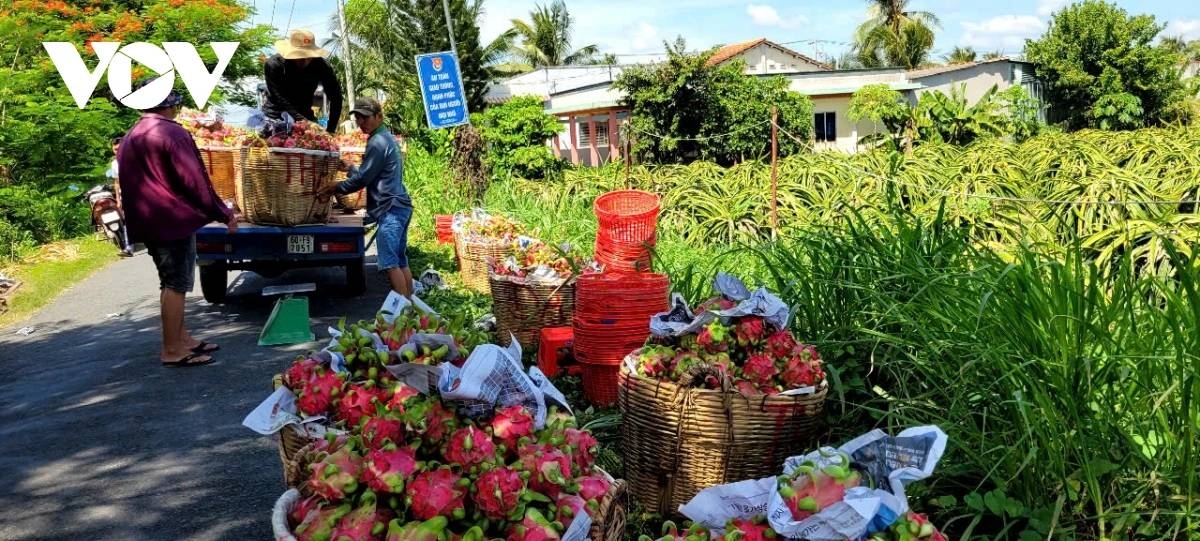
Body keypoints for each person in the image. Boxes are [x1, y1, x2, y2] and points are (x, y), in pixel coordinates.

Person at [117, 89, 238, 367]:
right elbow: (195, 182)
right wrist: (223, 212)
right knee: (176, 284)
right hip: (171, 219)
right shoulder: (171, 133)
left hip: (149, 220)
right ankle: (172, 349)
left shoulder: (132, 135)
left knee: (169, 280)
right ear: (169, 105)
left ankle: (182, 338)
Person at [318, 97, 415, 297]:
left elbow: (363, 179)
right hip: (399, 207)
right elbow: (371, 174)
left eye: (365, 117)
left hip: (391, 210)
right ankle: (411, 307)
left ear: (379, 116)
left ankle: (405, 315)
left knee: (390, 263)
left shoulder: (378, 142)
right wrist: (351, 168)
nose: (361, 122)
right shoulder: (385, 137)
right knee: (399, 260)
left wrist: (336, 187)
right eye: (358, 118)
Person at [262, 29, 343, 134]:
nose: (304, 61)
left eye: (308, 56)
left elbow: (336, 97)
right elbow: (280, 98)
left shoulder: (321, 66)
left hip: (305, 114)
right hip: (276, 116)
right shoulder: (274, 65)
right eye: (299, 56)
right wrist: (304, 122)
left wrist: (331, 129)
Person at [104, 136, 135, 257]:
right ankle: (129, 247)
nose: (117, 152)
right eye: (115, 149)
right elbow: (116, 182)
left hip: (141, 194)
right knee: (127, 221)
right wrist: (118, 199)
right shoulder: (114, 164)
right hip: (125, 195)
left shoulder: (134, 159)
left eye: (119, 149)